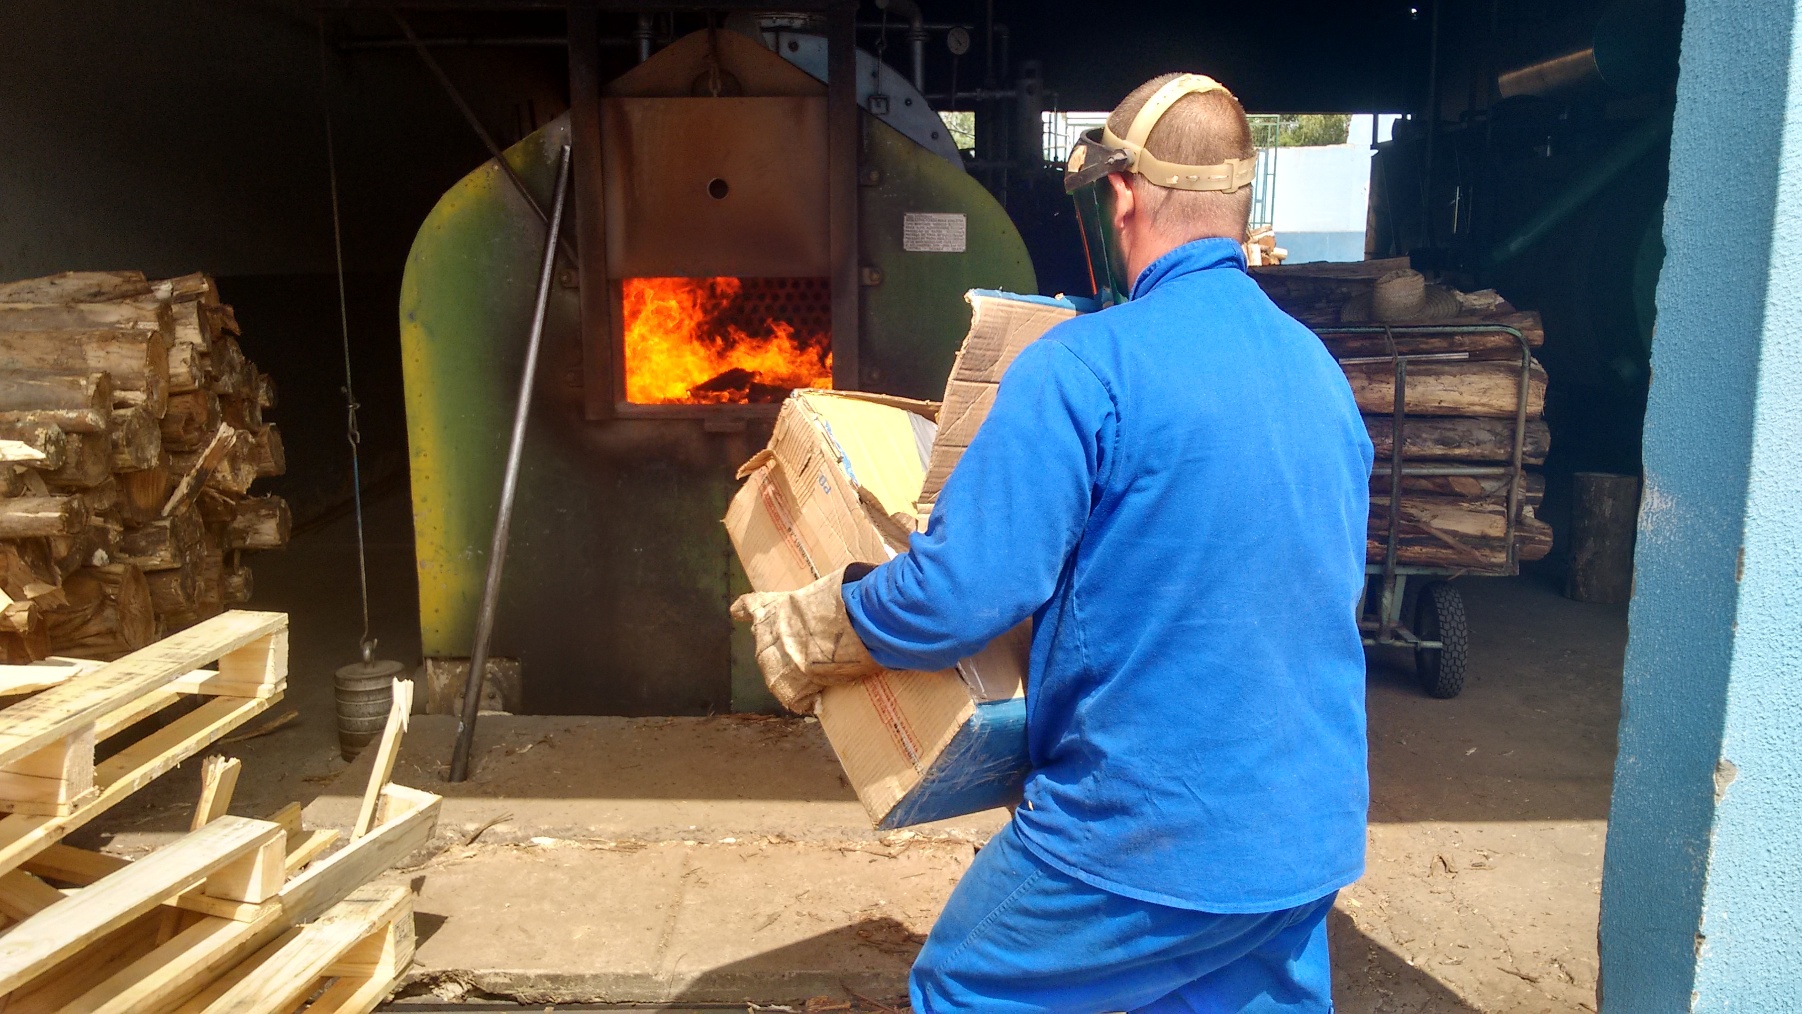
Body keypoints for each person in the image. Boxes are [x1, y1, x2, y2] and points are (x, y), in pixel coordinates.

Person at [733, 73, 1373, 1013]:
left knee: (964, 986)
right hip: (1308, 833)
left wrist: (829, 618)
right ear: (1240, 205)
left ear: (1121, 195)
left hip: (1146, 837)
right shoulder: (1319, 374)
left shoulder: (1082, 367)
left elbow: (957, 596)